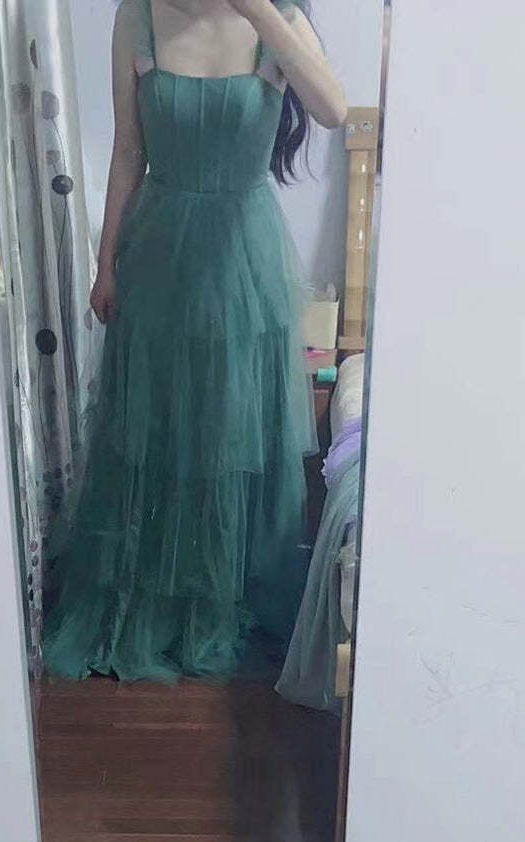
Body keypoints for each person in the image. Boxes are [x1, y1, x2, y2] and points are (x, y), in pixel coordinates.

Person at [42, 0, 347, 681]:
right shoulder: (138, 16)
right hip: (158, 252)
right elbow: (128, 151)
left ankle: (221, 594)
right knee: (157, 429)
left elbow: (331, 109)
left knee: (229, 432)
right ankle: (151, 596)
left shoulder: (277, 18)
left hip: (243, 259)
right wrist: (104, 263)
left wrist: (259, 11)